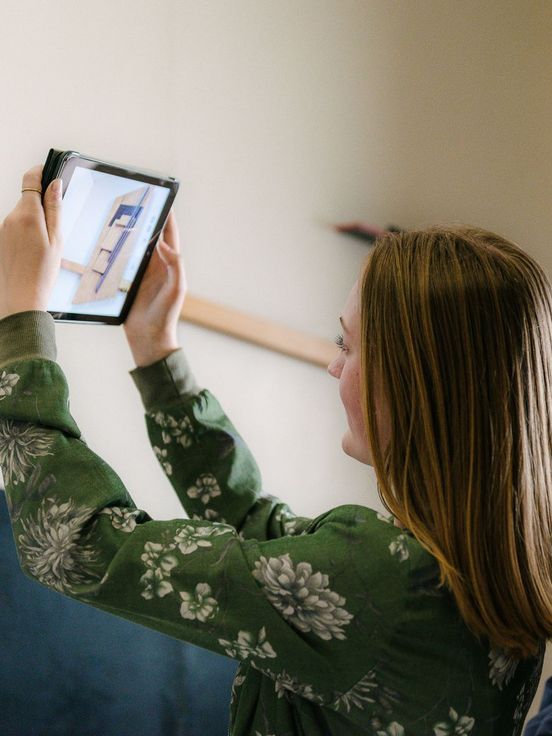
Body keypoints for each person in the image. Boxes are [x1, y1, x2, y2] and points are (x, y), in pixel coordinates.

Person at [0, 164, 550, 736]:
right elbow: (255, 524)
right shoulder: (485, 569)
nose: (335, 365)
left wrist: (20, 325)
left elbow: (78, 543)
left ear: (417, 382)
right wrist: (156, 347)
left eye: (348, 344)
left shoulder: (387, 585)